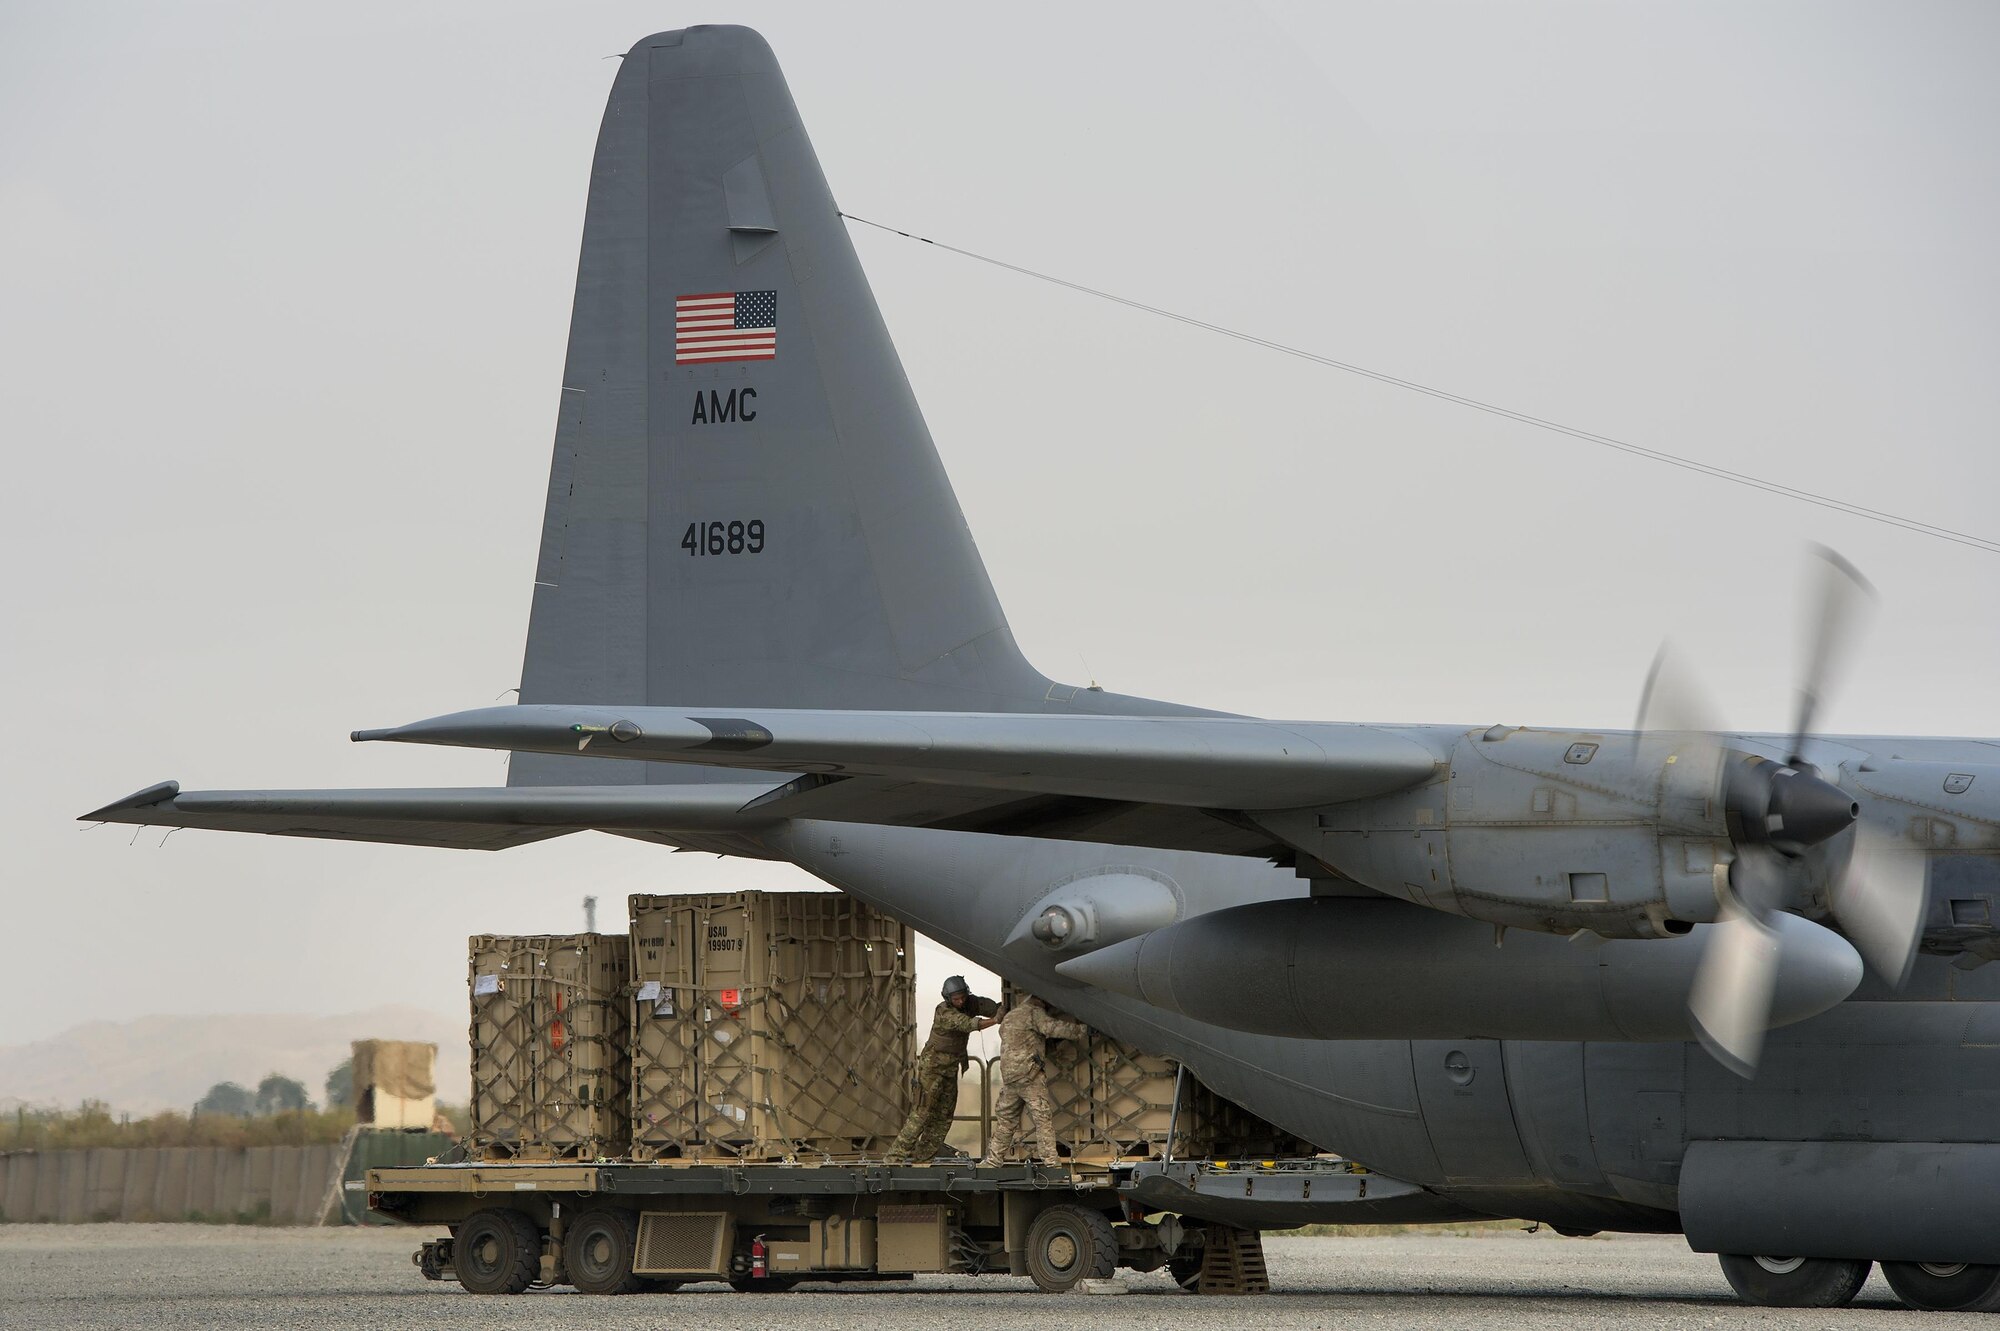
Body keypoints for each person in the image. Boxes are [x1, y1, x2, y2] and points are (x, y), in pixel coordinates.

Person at [885, 975, 999, 1162]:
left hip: (950, 1069)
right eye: (956, 999)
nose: (960, 1001)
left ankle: (924, 1156)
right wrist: (996, 1020)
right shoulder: (944, 1012)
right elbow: (968, 1024)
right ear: (948, 999)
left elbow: (991, 1007)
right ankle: (894, 1157)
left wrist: (1005, 1009)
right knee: (922, 1112)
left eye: (962, 997)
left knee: (944, 1115)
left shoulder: (970, 1003)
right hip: (932, 1069)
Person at [979, 993, 1088, 1167]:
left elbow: (1021, 1038)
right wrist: (1083, 1030)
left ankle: (993, 1160)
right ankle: (1051, 1163)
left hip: (1010, 1078)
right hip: (1029, 1077)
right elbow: (1051, 1028)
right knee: (1042, 1120)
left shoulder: (1011, 1016)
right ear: (1041, 1001)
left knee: (1006, 1121)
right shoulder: (1033, 1013)